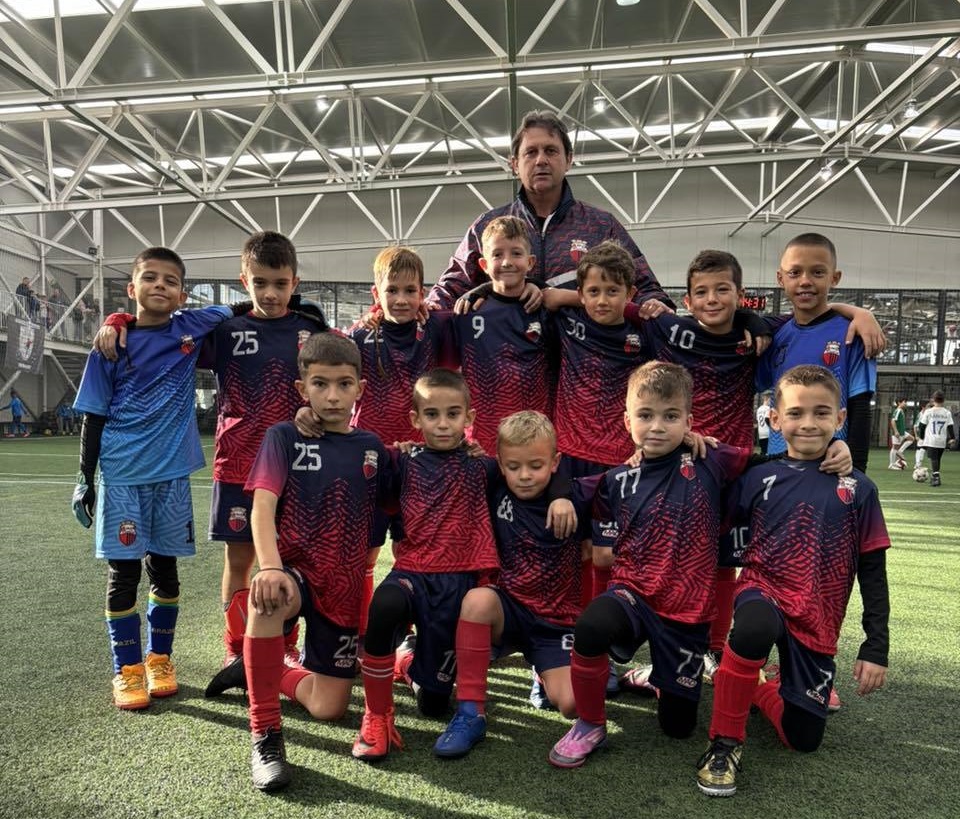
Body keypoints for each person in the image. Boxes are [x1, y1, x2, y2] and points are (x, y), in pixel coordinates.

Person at [696, 365, 890, 798]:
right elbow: (712, 505)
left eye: (821, 413)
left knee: (803, 739)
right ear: (774, 419)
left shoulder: (860, 489)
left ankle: (756, 687)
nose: (808, 424)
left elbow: (873, 571)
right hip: (763, 589)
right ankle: (724, 743)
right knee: (752, 629)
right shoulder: (759, 475)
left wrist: (876, 646)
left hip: (817, 616)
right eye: (796, 413)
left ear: (840, 419)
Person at [548, 362, 751, 769]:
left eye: (670, 416)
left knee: (678, 727)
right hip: (633, 594)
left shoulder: (711, 459)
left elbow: (770, 464)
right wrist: (560, 496)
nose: (657, 426)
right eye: (645, 415)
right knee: (591, 626)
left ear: (689, 422)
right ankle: (590, 724)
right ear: (627, 421)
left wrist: (835, 450)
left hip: (688, 611)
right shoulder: (618, 478)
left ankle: (656, 676)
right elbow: (560, 481)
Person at [70, 247, 236, 711]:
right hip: (123, 475)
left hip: (172, 477)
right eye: (150, 277)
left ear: (182, 295)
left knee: (165, 570)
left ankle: (159, 660)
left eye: (170, 280)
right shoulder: (110, 344)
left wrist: (300, 306)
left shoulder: (191, 327)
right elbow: (93, 416)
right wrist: (85, 478)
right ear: (132, 288)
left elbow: (240, 307)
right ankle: (126, 669)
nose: (160, 285)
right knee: (123, 574)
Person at [232, 332, 395, 791]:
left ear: (361, 388)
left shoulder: (373, 447)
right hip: (295, 572)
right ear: (302, 389)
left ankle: (261, 670)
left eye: (344, 384)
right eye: (320, 384)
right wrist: (270, 566)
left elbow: (394, 503)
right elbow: (262, 507)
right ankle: (265, 734)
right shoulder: (283, 436)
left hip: (343, 587)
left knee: (329, 708)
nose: (332, 396)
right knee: (267, 598)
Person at [198, 231, 329, 681]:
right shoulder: (224, 332)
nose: (270, 293)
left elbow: (333, 381)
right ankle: (236, 649)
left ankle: (285, 647)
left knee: (292, 560)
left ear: (295, 282)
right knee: (239, 561)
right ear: (244, 281)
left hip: (298, 467)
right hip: (238, 463)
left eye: (280, 283)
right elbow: (166, 331)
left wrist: (313, 411)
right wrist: (120, 319)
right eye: (259, 283)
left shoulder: (312, 332)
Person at [353, 369, 500, 763]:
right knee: (384, 606)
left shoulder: (485, 467)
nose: (443, 423)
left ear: (469, 417)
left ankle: (407, 660)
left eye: (453, 414)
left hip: (460, 581)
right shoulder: (401, 460)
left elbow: (531, 479)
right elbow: (351, 447)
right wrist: (309, 417)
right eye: (432, 414)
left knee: (433, 704)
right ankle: (376, 716)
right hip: (413, 573)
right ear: (415, 419)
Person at [433, 411, 586, 759]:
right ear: (501, 464)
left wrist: (563, 494)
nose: (525, 475)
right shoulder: (495, 485)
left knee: (573, 704)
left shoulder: (577, 496)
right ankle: (470, 713)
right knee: (477, 601)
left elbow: (617, 480)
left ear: (555, 462)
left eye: (536, 465)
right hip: (510, 609)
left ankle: (542, 672)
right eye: (514, 466)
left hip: (556, 624)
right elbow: (448, 459)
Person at [428, 109, 673, 313]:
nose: (541, 160)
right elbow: (452, 286)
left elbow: (643, 286)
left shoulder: (601, 226)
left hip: (583, 355)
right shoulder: (487, 226)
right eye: (531, 152)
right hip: (509, 353)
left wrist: (656, 303)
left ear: (569, 160)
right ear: (514, 164)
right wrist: (428, 307)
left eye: (551, 151)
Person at [346, 246, 447, 642]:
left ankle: (411, 635)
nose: (401, 300)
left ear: (424, 293)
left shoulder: (435, 329)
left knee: (417, 554)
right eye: (392, 290)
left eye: (410, 291)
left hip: (420, 467)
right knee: (362, 556)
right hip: (368, 466)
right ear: (377, 293)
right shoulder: (360, 336)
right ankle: (357, 635)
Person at [756, 233, 876, 473]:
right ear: (780, 278)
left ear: (835, 278)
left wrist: (856, 472)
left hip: (830, 467)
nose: (805, 281)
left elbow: (860, 407)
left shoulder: (853, 334)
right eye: (795, 273)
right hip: (780, 467)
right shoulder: (776, 337)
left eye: (817, 272)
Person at [446, 216, 555, 453]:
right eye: (497, 254)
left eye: (516, 253)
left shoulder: (546, 310)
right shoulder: (467, 312)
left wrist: (540, 286)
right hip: (482, 442)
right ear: (484, 265)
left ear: (530, 262)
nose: (507, 262)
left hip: (534, 439)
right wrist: (376, 312)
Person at [917, 390, 955, 487]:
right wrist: (952, 438)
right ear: (943, 400)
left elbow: (922, 426)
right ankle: (935, 476)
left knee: (933, 459)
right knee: (937, 459)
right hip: (942, 440)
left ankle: (936, 478)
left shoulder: (929, 412)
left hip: (931, 439)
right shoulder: (947, 412)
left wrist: (921, 437)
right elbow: (950, 426)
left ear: (933, 400)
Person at [888, 398, 914, 470]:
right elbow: (893, 421)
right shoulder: (898, 410)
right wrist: (896, 431)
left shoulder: (901, 410)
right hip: (898, 432)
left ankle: (900, 451)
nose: (905, 403)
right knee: (894, 447)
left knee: (912, 439)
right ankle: (891, 464)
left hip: (902, 432)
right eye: (904, 402)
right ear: (899, 403)